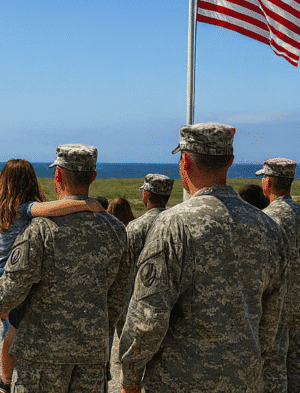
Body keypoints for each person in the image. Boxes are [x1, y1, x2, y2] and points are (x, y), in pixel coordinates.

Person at [119, 123, 290, 393]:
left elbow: (149, 315)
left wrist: (131, 374)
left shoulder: (174, 223)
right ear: (230, 161)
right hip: (244, 378)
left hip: (181, 379)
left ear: (184, 161)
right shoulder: (268, 227)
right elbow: (272, 318)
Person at [0, 145, 131, 393]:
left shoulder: (41, 230)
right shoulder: (116, 230)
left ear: (58, 176)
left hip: (41, 357)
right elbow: (119, 296)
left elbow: (8, 293)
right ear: (93, 177)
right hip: (91, 355)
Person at [258, 158, 300, 392]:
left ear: (267, 181)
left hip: (272, 308)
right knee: (297, 364)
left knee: (272, 367)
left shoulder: (265, 219)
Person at [115, 174, 173, 341]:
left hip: (139, 303)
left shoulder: (135, 227)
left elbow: (124, 270)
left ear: (145, 195)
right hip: (171, 304)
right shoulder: (178, 223)